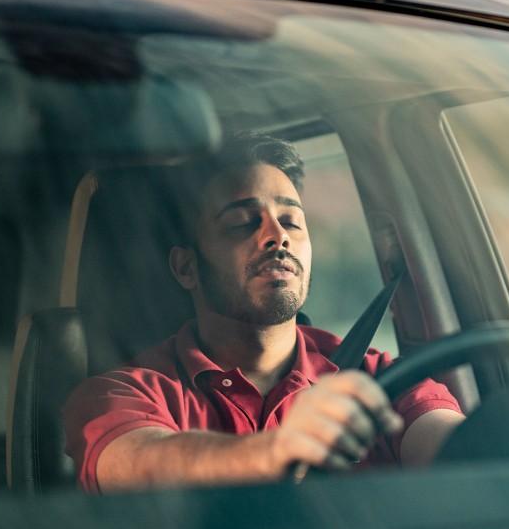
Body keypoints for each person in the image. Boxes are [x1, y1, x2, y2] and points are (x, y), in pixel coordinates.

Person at [63, 133, 464, 492]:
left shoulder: (381, 381)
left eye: (291, 220)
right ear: (187, 267)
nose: (278, 236)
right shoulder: (121, 394)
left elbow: (462, 447)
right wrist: (276, 451)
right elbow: (141, 463)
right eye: (241, 223)